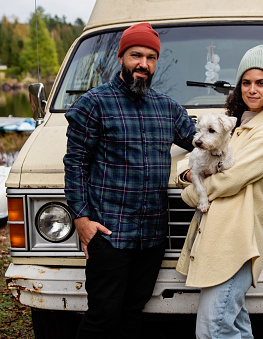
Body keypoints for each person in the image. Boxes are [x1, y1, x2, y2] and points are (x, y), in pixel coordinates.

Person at [63, 22, 195, 339]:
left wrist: (253, 123)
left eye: (151, 57)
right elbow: (75, 163)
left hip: (151, 237)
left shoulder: (167, 109)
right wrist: (81, 218)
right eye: (136, 55)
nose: (143, 64)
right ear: (122, 56)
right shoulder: (93, 104)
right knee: (102, 318)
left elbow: (203, 143)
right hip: (109, 233)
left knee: (133, 315)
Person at [176, 44, 263, 338]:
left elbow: (229, 180)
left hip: (236, 242)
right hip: (217, 240)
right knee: (234, 326)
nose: (252, 90)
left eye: (261, 83)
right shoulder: (237, 128)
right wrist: (188, 174)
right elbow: (184, 165)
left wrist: (190, 193)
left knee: (212, 329)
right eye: (246, 82)